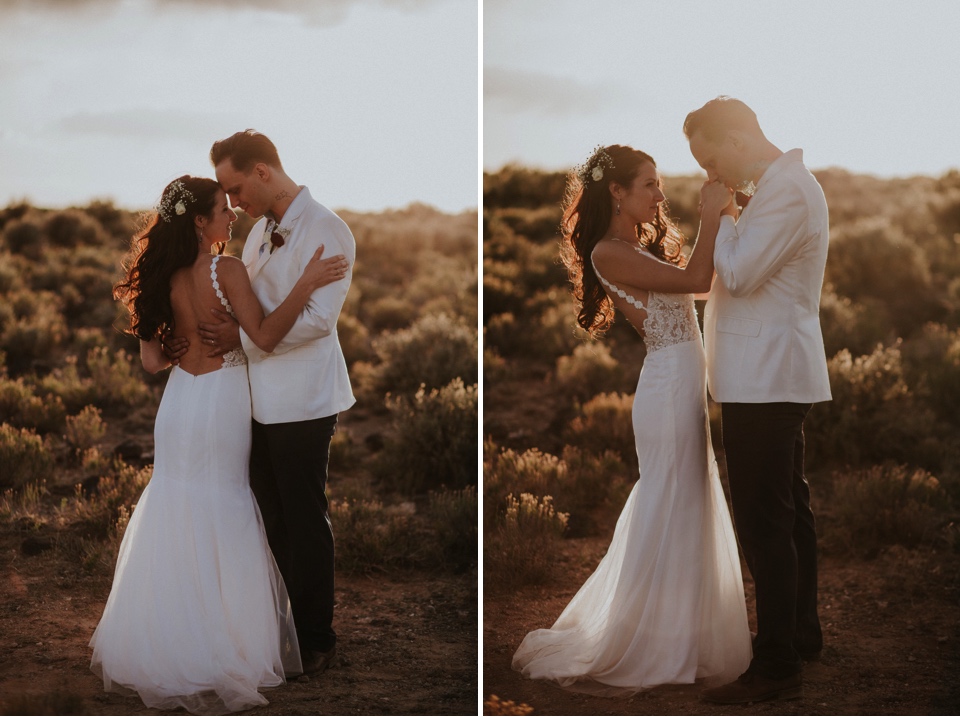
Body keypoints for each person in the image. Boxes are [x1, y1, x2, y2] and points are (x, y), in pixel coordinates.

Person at [91, 175, 349, 713]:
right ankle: (223, 643)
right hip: (223, 401)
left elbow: (151, 362)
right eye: (221, 210)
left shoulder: (161, 275)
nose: (233, 214)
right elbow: (267, 335)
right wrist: (305, 284)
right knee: (227, 507)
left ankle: (167, 635)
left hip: (181, 401)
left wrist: (175, 343)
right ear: (201, 221)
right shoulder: (225, 268)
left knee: (178, 505)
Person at [511, 144, 752, 694]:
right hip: (667, 390)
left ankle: (680, 635)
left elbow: (703, 281)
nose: (660, 195)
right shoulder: (606, 252)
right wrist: (711, 214)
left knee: (684, 501)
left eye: (659, 184)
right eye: (650, 184)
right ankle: (654, 642)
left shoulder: (632, 246)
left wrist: (725, 218)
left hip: (682, 387)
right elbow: (698, 280)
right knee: (669, 502)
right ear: (616, 191)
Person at [684, 97, 832, 705]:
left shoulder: (788, 191)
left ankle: (776, 664)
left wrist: (715, 219)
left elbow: (740, 275)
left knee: (765, 518)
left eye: (712, 159)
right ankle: (799, 635)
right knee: (788, 510)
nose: (710, 175)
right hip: (766, 373)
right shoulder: (777, 188)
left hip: (766, 376)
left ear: (740, 139)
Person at [194, 130, 356, 675]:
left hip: (304, 400)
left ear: (262, 171)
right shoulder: (262, 230)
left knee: (305, 519)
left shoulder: (328, 229)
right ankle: (280, 632)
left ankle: (316, 638)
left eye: (235, 189)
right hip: (253, 399)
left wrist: (242, 341)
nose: (234, 204)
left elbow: (317, 320)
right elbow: (252, 305)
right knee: (270, 519)